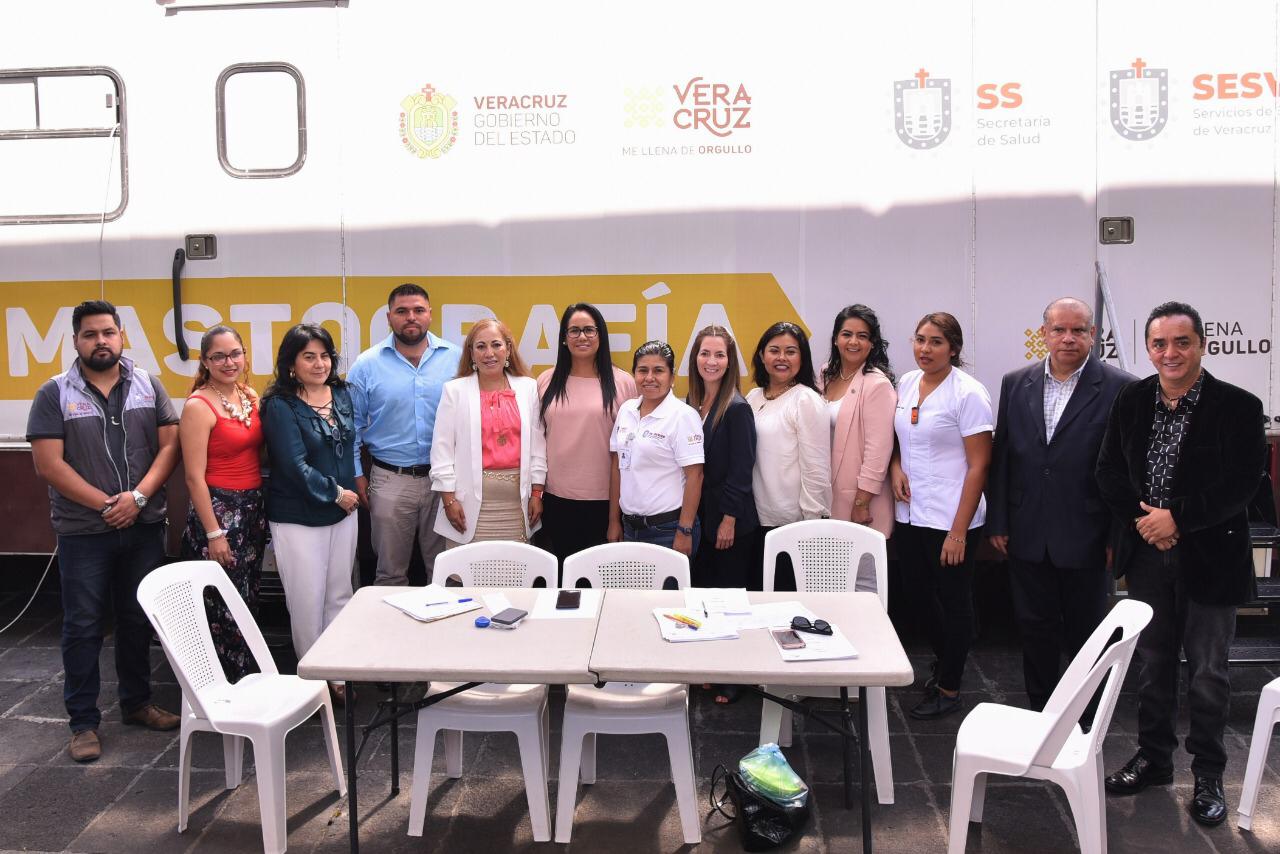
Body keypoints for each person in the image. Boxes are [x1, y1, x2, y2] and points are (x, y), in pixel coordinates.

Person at [1096, 301, 1264, 827]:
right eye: (1159, 343)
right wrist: (1146, 523)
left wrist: (1178, 520)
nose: (1170, 353)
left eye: (1182, 342)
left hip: (1212, 559)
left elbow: (1242, 484)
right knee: (1153, 664)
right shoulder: (1132, 399)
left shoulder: (1238, 406)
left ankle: (1209, 774)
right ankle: (1154, 759)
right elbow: (1108, 471)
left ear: (1202, 345)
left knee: (1209, 672)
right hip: (1148, 555)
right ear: (1149, 349)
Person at [26, 300, 181, 762]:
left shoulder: (148, 385)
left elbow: (169, 447)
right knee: (83, 625)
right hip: (84, 532)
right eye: (90, 334)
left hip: (143, 526)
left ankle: (137, 704)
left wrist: (138, 499)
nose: (101, 341)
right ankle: (83, 723)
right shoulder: (54, 392)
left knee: (137, 619)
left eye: (108, 332)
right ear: (75, 341)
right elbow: (48, 465)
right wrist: (108, 505)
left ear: (121, 336)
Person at [986, 298, 1132, 713]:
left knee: (1088, 632)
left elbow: (1126, 470)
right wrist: (998, 520)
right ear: (1044, 334)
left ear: (1092, 334)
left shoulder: (1121, 387)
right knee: (1034, 628)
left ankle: (1085, 716)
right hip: (1026, 530)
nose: (1068, 338)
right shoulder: (1016, 383)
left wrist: (1117, 537)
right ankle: (1042, 712)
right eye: (1059, 330)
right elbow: (1003, 457)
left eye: (1078, 330)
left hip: (1088, 534)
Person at [890, 312, 992, 720]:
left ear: (954, 348)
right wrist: (895, 468)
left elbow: (979, 466)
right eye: (920, 340)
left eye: (935, 342)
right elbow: (899, 440)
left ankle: (950, 687)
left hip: (952, 516)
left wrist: (959, 531)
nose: (925, 349)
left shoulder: (969, 393)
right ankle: (945, 657)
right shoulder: (906, 383)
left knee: (955, 600)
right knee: (916, 594)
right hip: (911, 513)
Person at [260, 324, 359, 703]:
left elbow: (349, 447)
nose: (320, 364)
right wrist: (337, 494)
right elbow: (292, 465)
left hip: (343, 511)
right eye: (309, 357)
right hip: (299, 515)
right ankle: (313, 678)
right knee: (307, 598)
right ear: (291, 363)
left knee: (340, 593)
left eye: (325, 355)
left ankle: (337, 669)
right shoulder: (280, 406)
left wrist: (345, 498)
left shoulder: (342, 393)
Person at [348, 283, 461, 587]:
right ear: (389, 317)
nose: (411, 317)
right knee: (390, 572)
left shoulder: (456, 358)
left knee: (447, 573)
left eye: (418, 310)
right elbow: (352, 426)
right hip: (390, 480)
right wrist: (357, 475)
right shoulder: (366, 365)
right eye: (402, 311)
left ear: (430, 314)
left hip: (445, 481)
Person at [178, 325, 267, 683]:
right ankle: (223, 679)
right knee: (221, 601)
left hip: (252, 508)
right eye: (218, 356)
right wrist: (214, 533)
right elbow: (193, 478)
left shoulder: (249, 396)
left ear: (244, 356)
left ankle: (249, 675)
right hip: (219, 511)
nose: (229, 362)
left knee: (247, 594)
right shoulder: (198, 406)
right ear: (205, 361)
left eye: (235, 354)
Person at [686, 326, 757, 704]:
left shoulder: (737, 407)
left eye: (719, 355)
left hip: (730, 522)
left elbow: (742, 470)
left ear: (730, 362)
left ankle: (734, 677)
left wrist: (729, 518)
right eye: (705, 353)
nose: (711, 361)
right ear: (695, 358)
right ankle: (712, 667)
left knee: (730, 602)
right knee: (706, 598)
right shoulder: (692, 403)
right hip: (701, 518)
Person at [431, 318, 547, 548]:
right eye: (481, 346)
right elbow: (441, 451)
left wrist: (537, 493)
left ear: (508, 349)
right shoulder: (454, 391)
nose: (489, 353)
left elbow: (538, 447)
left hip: (518, 506)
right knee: (467, 569)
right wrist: (449, 500)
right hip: (466, 508)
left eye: (496, 345)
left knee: (516, 568)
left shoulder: (529, 388)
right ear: (471, 354)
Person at [537, 303, 636, 568]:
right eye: (574, 330)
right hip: (555, 500)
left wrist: (615, 517)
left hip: (606, 501)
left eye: (589, 330)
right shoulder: (546, 381)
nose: (582, 337)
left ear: (600, 336)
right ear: (564, 338)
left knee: (602, 578)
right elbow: (536, 441)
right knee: (563, 577)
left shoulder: (623, 383)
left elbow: (630, 449)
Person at [747, 322, 830, 590]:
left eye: (791, 352)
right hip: (755, 520)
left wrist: (811, 524)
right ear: (762, 356)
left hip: (792, 525)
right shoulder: (753, 397)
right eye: (774, 350)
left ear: (802, 358)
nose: (782, 358)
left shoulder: (806, 399)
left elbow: (816, 468)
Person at [821, 305, 897, 592]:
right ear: (835, 339)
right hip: (827, 499)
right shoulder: (825, 374)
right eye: (847, 334)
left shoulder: (877, 384)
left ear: (872, 343)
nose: (853, 342)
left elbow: (879, 451)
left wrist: (862, 502)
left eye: (862, 336)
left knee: (862, 587)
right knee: (830, 588)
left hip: (860, 503)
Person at [608, 340, 705, 554]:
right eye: (643, 370)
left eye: (658, 371)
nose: (649, 377)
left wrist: (684, 530)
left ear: (672, 377)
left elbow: (695, 476)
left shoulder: (683, 416)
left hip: (668, 530)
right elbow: (617, 466)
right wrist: (613, 520)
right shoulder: (626, 410)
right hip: (629, 528)